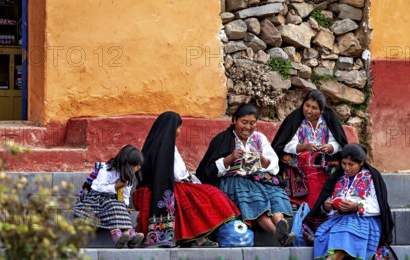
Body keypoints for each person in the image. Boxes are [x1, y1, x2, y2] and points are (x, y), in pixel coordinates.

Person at [133, 111, 240, 248]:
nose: (180, 130)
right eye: (179, 127)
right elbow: (178, 174)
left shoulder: (151, 145)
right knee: (208, 194)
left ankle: (197, 239)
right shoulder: (169, 147)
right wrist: (189, 178)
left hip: (151, 188)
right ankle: (199, 238)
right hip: (172, 185)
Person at [196, 104, 295, 246]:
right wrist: (231, 157)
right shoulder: (223, 139)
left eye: (252, 123)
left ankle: (281, 225)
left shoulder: (259, 138)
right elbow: (207, 170)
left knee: (276, 195)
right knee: (255, 201)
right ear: (234, 120)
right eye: (244, 122)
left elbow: (273, 165)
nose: (248, 127)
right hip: (235, 181)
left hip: (259, 179)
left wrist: (262, 158)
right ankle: (279, 235)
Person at [302, 144, 394, 260]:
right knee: (324, 232)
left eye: (351, 164)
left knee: (348, 231)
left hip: (366, 219)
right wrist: (328, 205)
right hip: (341, 218)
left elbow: (379, 205)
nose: (346, 168)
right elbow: (330, 201)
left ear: (361, 162)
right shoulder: (339, 178)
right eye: (343, 163)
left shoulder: (371, 177)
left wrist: (357, 206)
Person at [272, 90, 348, 209]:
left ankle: (334, 197)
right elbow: (286, 144)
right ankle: (295, 199)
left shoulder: (328, 119)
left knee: (340, 166)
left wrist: (330, 147)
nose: (308, 110)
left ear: (321, 110)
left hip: (324, 158)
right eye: (307, 105)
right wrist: (304, 147)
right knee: (287, 162)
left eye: (314, 108)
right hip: (300, 159)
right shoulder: (296, 118)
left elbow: (338, 142)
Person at [74, 145, 145, 248]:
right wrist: (116, 186)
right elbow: (100, 188)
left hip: (115, 200)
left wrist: (125, 205)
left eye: (139, 165)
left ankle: (130, 235)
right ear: (126, 163)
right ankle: (116, 235)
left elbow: (125, 194)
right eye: (136, 165)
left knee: (120, 205)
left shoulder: (128, 175)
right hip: (97, 198)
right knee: (112, 204)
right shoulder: (107, 170)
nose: (138, 168)